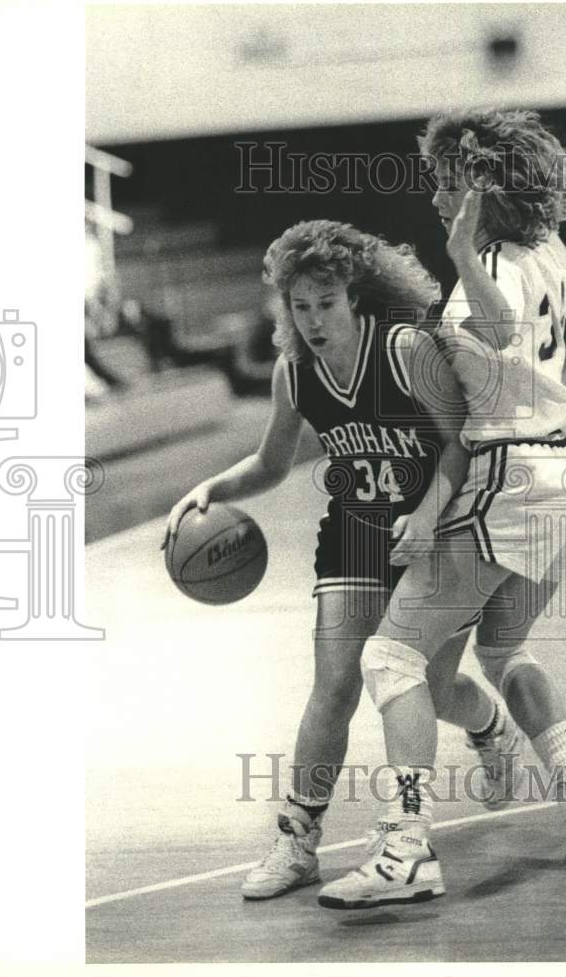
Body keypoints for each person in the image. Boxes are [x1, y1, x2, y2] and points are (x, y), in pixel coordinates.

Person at [319, 109, 566, 910]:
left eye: (447, 182)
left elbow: (497, 325)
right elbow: (562, 308)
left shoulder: (483, 257)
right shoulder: (546, 252)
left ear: (480, 188)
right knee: (505, 649)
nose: (435, 195)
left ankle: (405, 847)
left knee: (390, 660)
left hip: (510, 478)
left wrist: (459, 256)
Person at [161, 220, 507, 901]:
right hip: (353, 531)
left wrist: (429, 515)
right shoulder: (295, 372)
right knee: (335, 687)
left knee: (431, 687)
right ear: (283, 309)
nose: (313, 319)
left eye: (325, 303)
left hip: (438, 527)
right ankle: (296, 841)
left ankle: (489, 726)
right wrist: (212, 488)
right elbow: (269, 462)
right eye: (299, 306)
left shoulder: (406, 349)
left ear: (353, 296)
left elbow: (459, 444)